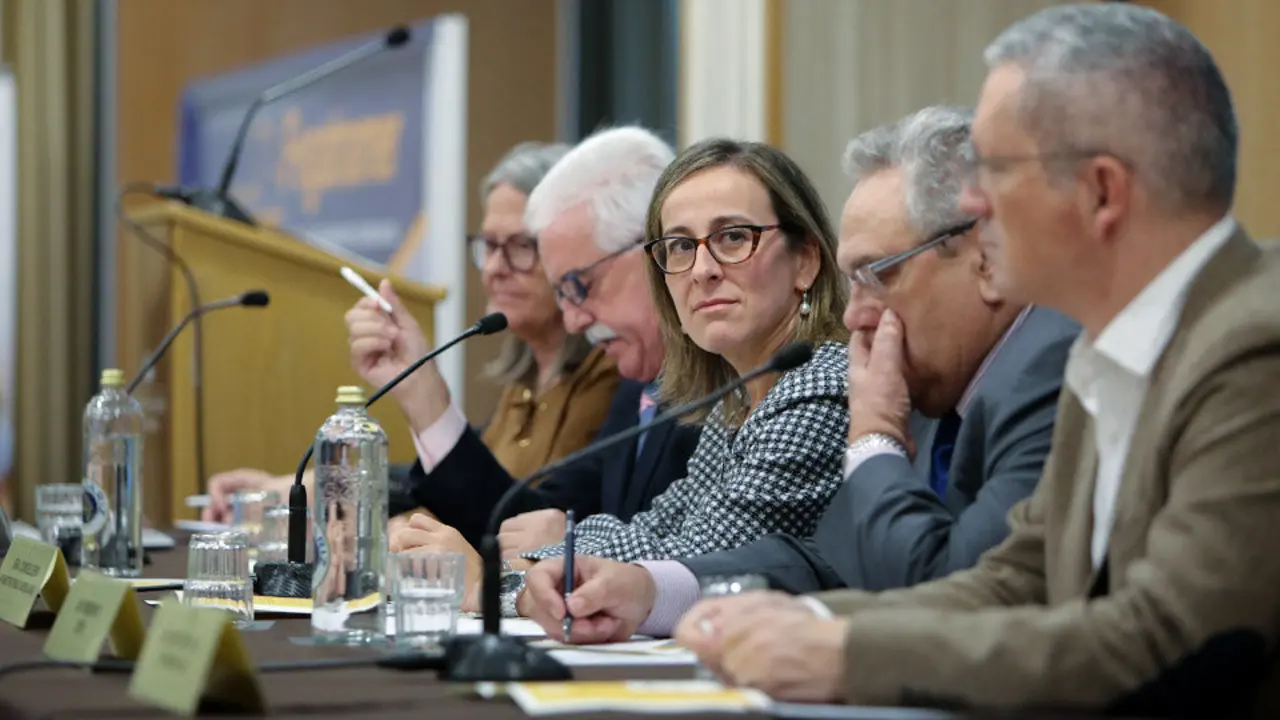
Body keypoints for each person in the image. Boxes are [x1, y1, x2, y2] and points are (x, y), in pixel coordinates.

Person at [673, 5, 1280, 716]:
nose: (968, 201)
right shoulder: (1106, 347)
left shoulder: (1252, 346)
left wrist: (848, 655)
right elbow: (1013, 580)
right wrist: (809, 623)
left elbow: (1171, 637)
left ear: (1102, 191)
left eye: (993, 168)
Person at [519, 106, 1080, 639]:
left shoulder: (1035, 375)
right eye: (681, 247)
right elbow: (824, 562)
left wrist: (876, 439)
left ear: (984, 257)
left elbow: (947, 588)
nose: (856, 315)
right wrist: (642, 588)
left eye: (879, 274)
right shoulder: (932, 386)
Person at [401, 138, 855, 614]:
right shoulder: (737, 402)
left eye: (733, 238)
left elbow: (697, 560)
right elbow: (653, 531)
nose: (701, 270)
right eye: (680, 246)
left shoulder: (819, 387)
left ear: (804, 260)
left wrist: (489, 585)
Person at [204, 141, 621, 532]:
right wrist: (317, 485)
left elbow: (518, 519)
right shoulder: (526, 380)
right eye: (489, 245)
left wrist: (421, 390)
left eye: (521, 246)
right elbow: (446, 474)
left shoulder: (611, 376)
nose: (495, 267)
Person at [387, 127, 703, 596]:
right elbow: (537, 523)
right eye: (488, 246)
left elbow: (699, 546)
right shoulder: (640, 383)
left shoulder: (640, 376)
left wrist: (502, 579)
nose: (574, 320)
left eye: (518, 247)